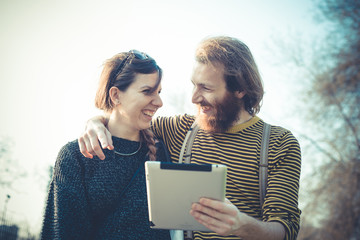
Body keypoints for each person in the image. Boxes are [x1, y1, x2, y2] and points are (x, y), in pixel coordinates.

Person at [78, 36, 302, 240]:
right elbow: (128, 119)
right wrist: (96, 122)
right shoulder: (180, 129)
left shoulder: (279, 143)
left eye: (206, 88)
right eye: (194, 85)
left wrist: (241, 225)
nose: (194, 98)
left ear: (240, 89)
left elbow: (285, 230)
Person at [41, 50, 171, 240]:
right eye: (147, 91)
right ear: (116, 95)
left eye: (159, 92)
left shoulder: (163, 151)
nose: (159, 102)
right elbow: (62, 233)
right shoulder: (76, 156)